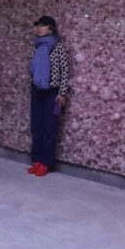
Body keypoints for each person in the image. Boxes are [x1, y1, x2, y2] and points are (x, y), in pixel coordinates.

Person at [27, 15, 70, 177]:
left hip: (52, 92)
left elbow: (64, 71)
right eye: (37, 25)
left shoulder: (57, 48)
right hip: (37, 91)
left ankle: (45, 163)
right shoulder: (36, 47)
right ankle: (37, 160)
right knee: (36, 126)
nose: (39, 28)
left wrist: (62, 93)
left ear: (51, 29)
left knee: (49, 128)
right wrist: (31, 87)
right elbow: (31, 70)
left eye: (43, 25)